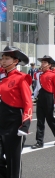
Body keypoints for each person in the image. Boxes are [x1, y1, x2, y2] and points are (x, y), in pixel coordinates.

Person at [0, 46, 32, 177]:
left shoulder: (21, 78)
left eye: (7, 58)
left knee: (13, 160)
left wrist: (25, 124)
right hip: (1, 121)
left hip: (14, 123)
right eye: (2, 58)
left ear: (16, 61)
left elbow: (27, 102)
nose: (3, 61)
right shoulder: (2, 77)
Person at [31, 55, 55, 149]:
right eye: (42, 62)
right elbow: (37, 87)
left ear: (49, 65)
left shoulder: (53, 74)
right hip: (40, 97)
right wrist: (33, 95)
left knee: (50, 120)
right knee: (40, 121)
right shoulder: (38, 74)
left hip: (49, 97)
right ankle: (39, 142)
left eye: (44, 63)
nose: (42, 64)